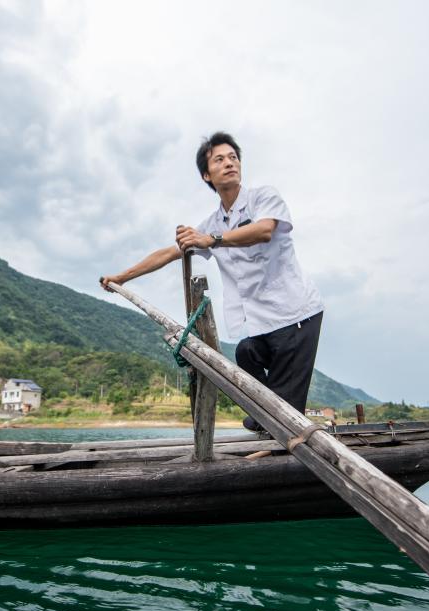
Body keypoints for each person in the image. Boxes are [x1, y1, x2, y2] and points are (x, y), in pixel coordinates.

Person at [100, 132, 324, 431]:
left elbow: (264, 230)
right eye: (220, 159)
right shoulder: (213, 222)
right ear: (207, 175)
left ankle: (281, 434)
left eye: (233, 157)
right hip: (262, 320)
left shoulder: (263, 198)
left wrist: (213, 240)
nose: (229, 163)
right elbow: (169, 253)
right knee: (246, 352)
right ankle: (267, 421)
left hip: (296, 313)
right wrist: (121, 278)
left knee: (288, 410)